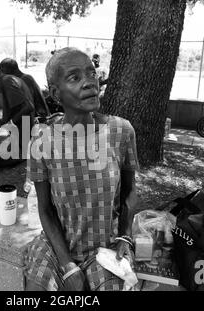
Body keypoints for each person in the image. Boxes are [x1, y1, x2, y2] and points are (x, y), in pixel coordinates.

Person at [23, 47, 140, 291]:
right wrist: (68, 266)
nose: (89, 83)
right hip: (57, 244)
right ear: (56, 93)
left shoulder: (121, 131)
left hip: (105, 245)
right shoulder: (42, 141)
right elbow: (44, 209)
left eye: (91, 73)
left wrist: (125, 236)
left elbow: (129, 191)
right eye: (75, 77)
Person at [0, 65, 35, 153]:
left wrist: (10, 124)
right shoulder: (5, 84)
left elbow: (29, 107)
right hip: (20, 133)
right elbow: (9, 116)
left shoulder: (7, 81)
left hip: (23, 135)